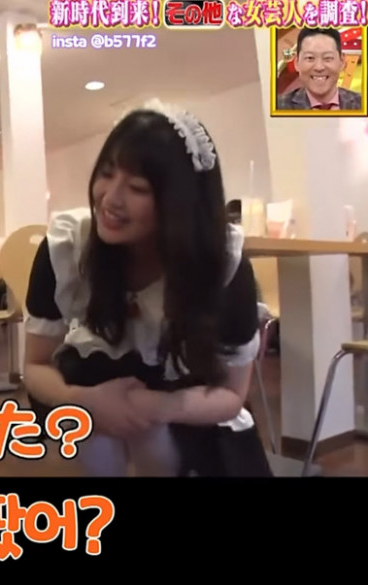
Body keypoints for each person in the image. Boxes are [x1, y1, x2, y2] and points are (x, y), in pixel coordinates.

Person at [23, 100, 273, 477]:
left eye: (137, 187)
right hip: (92, 383)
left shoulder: (221, 266)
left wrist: (156, 407)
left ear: (180, 202)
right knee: (93, 437)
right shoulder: (68, 247)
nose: (110, 199)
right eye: (106, 174)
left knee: (154, 439)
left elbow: (232, 394)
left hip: (185, 401)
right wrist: (82, 401)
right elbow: (34, 365)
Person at [276, 27, 362, 111]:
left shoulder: (361, 104)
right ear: (297, 63)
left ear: (342, 61)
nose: (319, 67)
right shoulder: (278, 107)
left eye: (328, 58)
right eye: (310, 58)